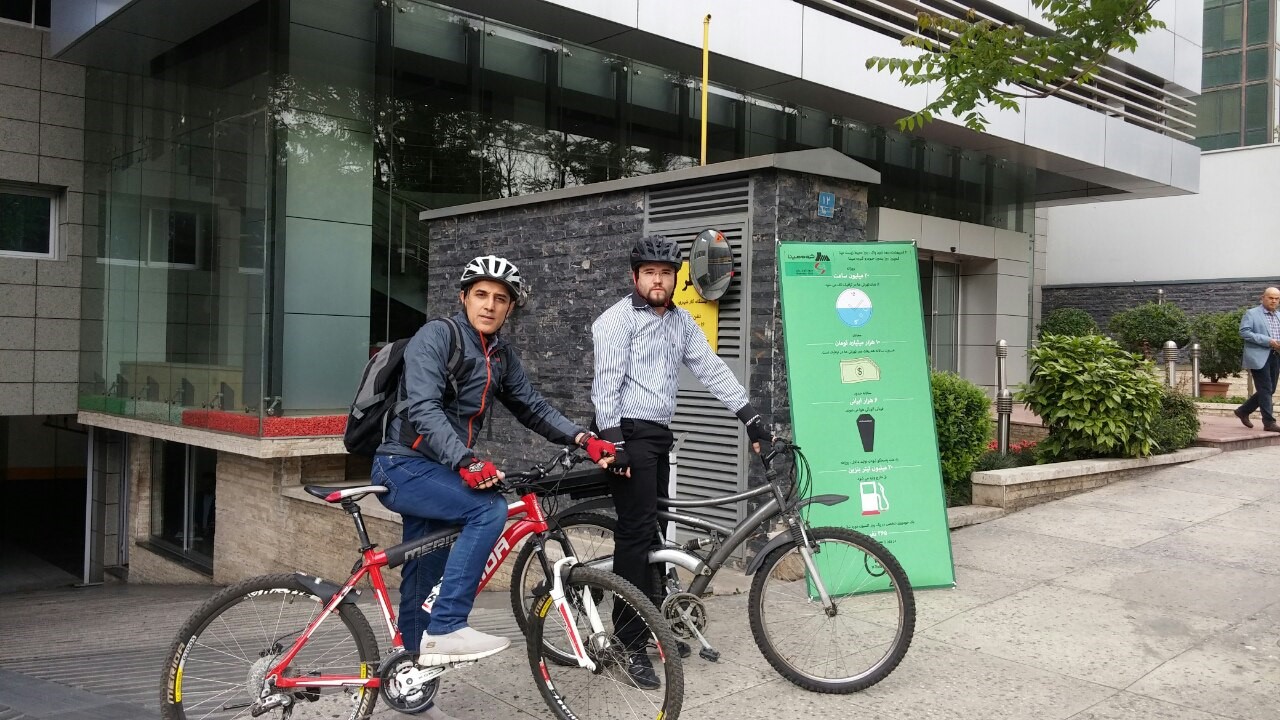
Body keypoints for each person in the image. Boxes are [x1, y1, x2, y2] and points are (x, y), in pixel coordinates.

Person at [373, 255, 615, 718]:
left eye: (500, 299)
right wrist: (466, 461)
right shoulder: (437, 337)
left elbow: (533, 407)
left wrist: (584, 439)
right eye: (480, 295)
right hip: (402, 465)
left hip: (438, 473)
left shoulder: (499, 355)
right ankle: (448, 626)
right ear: (463, 297)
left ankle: (408, 679)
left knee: (425, 577)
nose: (489, 305)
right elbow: (422, 408)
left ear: (510, 309)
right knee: (487, 510)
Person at [590, 234, 771, 687]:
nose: (658, 280)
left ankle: (650, 623)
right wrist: (614, 444)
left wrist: (749, 416)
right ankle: (629, 642)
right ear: (635, 277)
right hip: (625, 432)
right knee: (636, 537)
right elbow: (605, 386)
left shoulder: (682, 322)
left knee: (653, 534)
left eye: (666, 273)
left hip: (656, 435)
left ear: (676, 279)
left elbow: (710, 367)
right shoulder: (615, 321)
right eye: (650, 272)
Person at [1234, 286, 1280, 432]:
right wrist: (1268, 341)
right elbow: (1244, 332)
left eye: (1277, 299)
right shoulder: (1252, 314)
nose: (1274, 301)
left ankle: (1243, 410)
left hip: (1275, 356)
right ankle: (1269, 422)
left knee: (1269, 389)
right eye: (1271, 298)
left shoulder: (1278, 316)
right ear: (1263, 298)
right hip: (1258, 357)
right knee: (1266, 388)